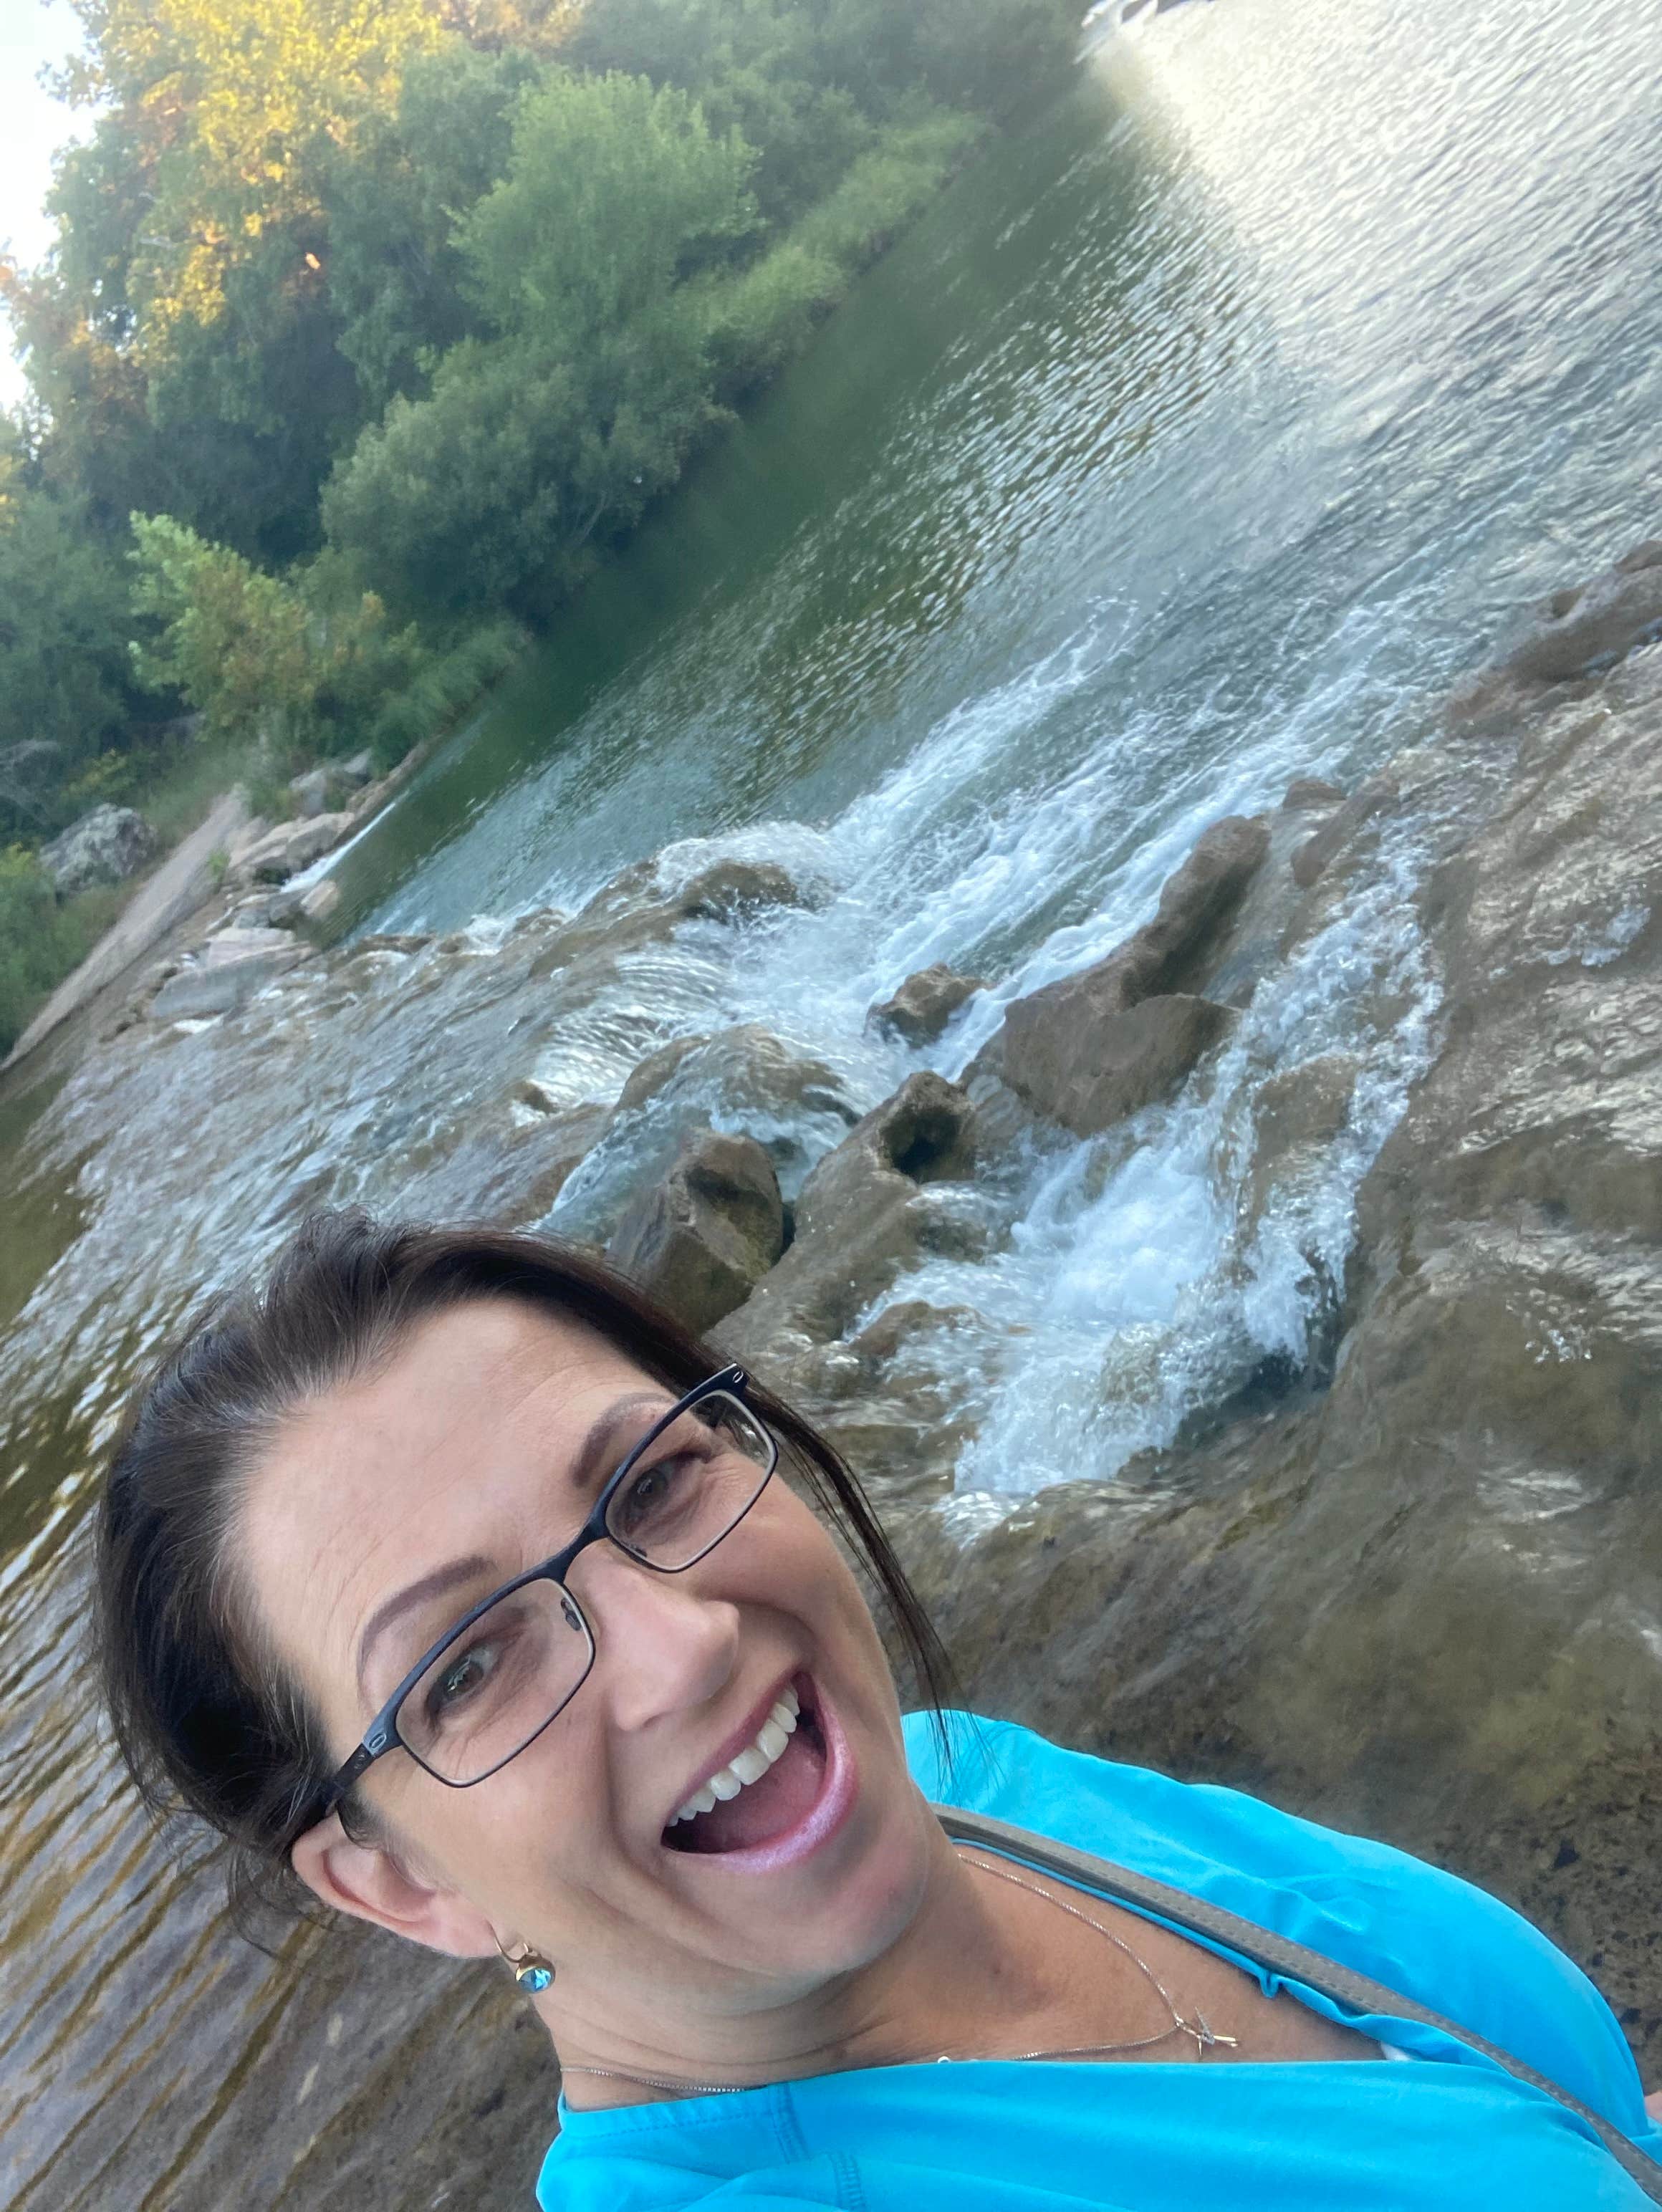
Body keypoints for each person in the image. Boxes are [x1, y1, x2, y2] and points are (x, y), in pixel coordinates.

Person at [96, 1210, 1662, 2211]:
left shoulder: (956, 1781)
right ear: (399, 1877)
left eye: (652, 1480)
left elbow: (1484, 2107)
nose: (682, 1646)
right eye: (467, 1663)